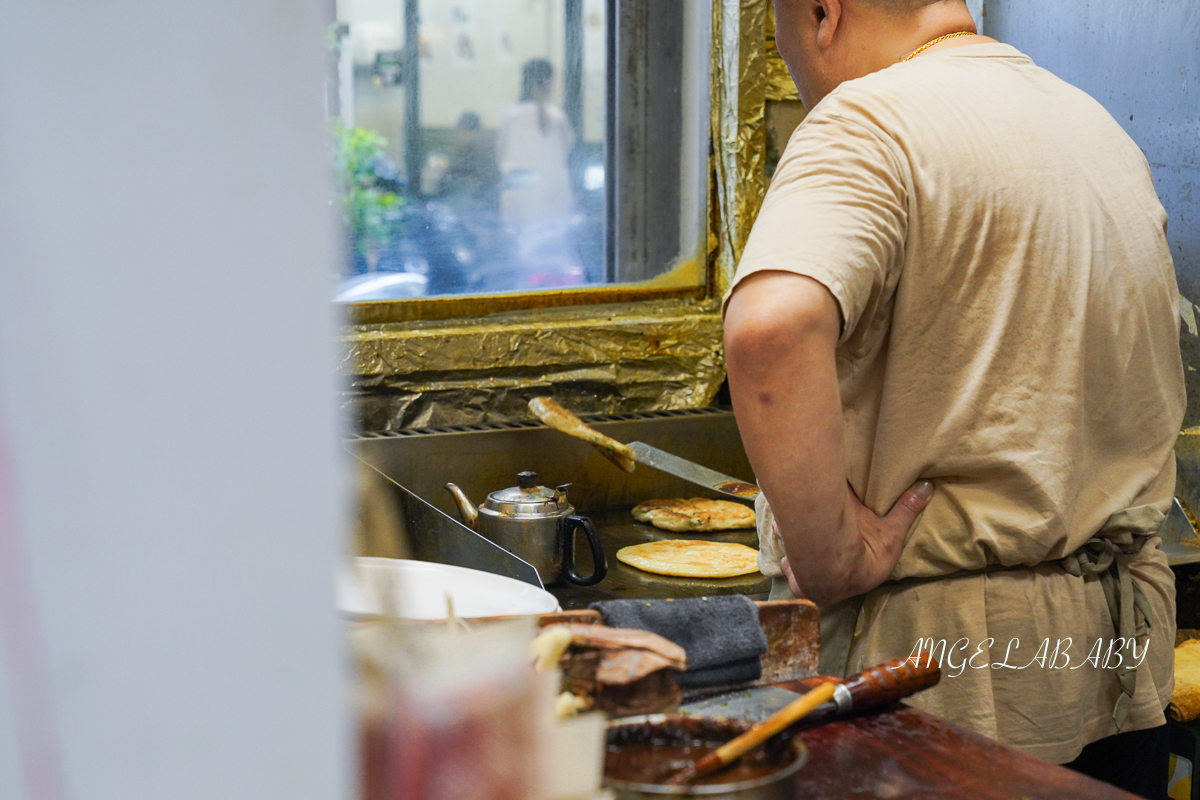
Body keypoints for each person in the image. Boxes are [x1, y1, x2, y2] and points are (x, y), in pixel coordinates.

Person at [722, 1, 1184, 797]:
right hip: (1113, 664)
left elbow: (769, 330)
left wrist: (831, 555)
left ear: (822, 13)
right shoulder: (1092, 125)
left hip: (940, 682)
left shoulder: (868, 119)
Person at [496, 58, 577, 233]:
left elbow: (501, 155)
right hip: (552, 200)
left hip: (518, 200)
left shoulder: (511, 117)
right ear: (549, 82)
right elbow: (568, 149)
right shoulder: (557, 117)